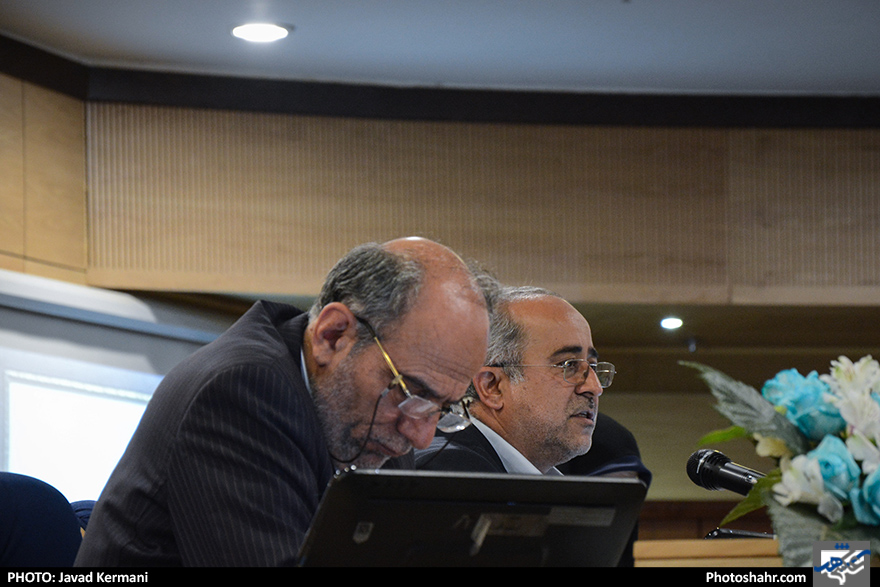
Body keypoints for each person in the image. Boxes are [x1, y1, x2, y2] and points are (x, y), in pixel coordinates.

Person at [75, 237, 490, 566]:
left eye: (442, 408)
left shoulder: (385, 425)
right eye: (411, 391)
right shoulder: (240, 393)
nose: (421, 437)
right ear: (333, 336)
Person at [416, 285, 614, 475]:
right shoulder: (452, 473)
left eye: (592, 366)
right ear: (492, 387)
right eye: (568, 365)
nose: (595, 387)